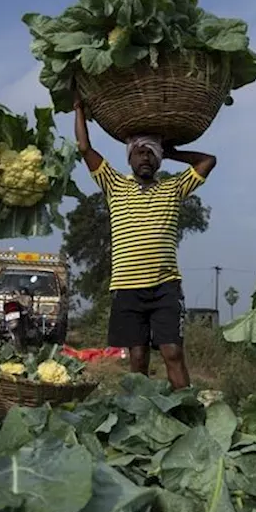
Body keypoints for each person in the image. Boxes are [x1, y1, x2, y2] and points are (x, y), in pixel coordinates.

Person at [72, 92, 215, 389]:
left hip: (165, 287)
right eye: (140, 152)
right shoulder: (114, 185)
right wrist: (78, 108)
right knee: (137, 358)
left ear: (159, 159)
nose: (146, 158)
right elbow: (84, 148)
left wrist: (171, 150)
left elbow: (208, 160)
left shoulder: (174, 187)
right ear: (130, 158)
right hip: (127, 287)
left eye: (152, 152)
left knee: (172, 352)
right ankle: (140, 416)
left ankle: (186, 414)